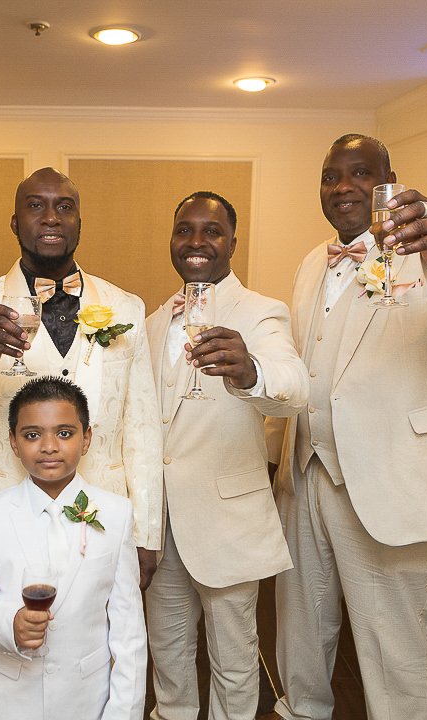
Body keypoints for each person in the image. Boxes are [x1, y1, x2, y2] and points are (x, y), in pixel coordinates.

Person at [267, 134, 427, 720]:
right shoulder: (312, 265)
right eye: (331, 176)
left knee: (397, 649)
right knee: (301, 630)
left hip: (394, 482)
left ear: (389, 180)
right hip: (307, 474)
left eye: (360, 173)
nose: (343, 186)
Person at [0, 167, 163, 588]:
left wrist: (144, 533)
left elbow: (142, 430)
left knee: (101, 629)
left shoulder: (126, 307)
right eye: (36, 206)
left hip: (103, 524)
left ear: (79, 223)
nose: (51, 217)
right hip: (5, 524)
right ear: (15, 223)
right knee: (4, 629)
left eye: (64, 207)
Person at [144, 191, 309, 720]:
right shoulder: (153, 321)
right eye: (185, 230)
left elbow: (293, 388)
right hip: (160, 525)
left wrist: (250, 370)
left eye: (212, 231)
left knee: (234, 659)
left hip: (227, 521)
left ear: (233, 243)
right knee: (167, 652)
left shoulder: (261, 312)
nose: (196, 241)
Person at [0, 376, 147, 720]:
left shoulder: (116, 514)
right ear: (13, 442)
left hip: (86, 702)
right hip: (9, 703)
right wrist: (9, 623)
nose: (49, 446)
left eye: (64, 433)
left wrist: (122, 713)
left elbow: (128, 630)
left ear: (86, 439)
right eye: (32, 435)